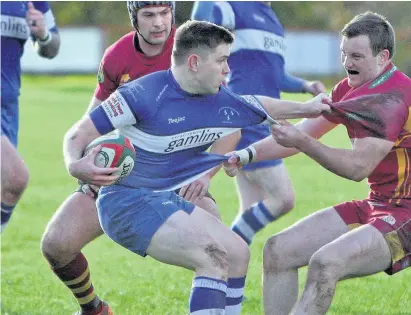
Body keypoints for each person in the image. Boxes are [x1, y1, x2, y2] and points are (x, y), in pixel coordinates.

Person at [62, 20, 330, 315]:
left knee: (237, 252)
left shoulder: (217, 97)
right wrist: (76, 165)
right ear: (194, 62)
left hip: (164, 198)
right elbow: (77, 135)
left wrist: (308, 108)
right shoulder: (143, 94)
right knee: (212, 258)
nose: (228, 70)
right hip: (126, 203)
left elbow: (258, 104)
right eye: (222, 60)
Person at [226, 11, 411, 315]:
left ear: (383, 57)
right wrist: (245, 155)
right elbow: (298, 135)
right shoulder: (347, 88)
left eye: (356, 55)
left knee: (325, 263)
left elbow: (357, 168)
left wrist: (302, 142)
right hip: (378, 205)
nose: (347, 63)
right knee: (278, 250)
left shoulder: (392, 99)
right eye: (344, 54)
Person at [40, 2, 232, 315]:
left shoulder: (197, 49)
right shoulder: (117, 57)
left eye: (164, 13)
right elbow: (91, 120)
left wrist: (205, 175)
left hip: (176, 179)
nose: (159, 23)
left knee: (222, 250)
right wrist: (84, 161)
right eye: (149, 15)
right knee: (56, 244)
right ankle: (94, 310)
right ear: (134, 17)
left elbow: (228, 121)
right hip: (122, 177)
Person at [191, 1, 327, 245]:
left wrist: (305, 86)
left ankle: (228, 269)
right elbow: (199, 24)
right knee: (283, 198)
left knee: (249, 210)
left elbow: (275, 74)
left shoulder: (272, 18)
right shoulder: (234, 6)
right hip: (246, 118)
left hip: (265, 121)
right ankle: (224, 246)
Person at [1, 1, 60, 232]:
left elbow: (52, 47)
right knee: (15, 176)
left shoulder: (33, 2)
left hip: (8, 107)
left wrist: (43, 35)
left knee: (6, 186)